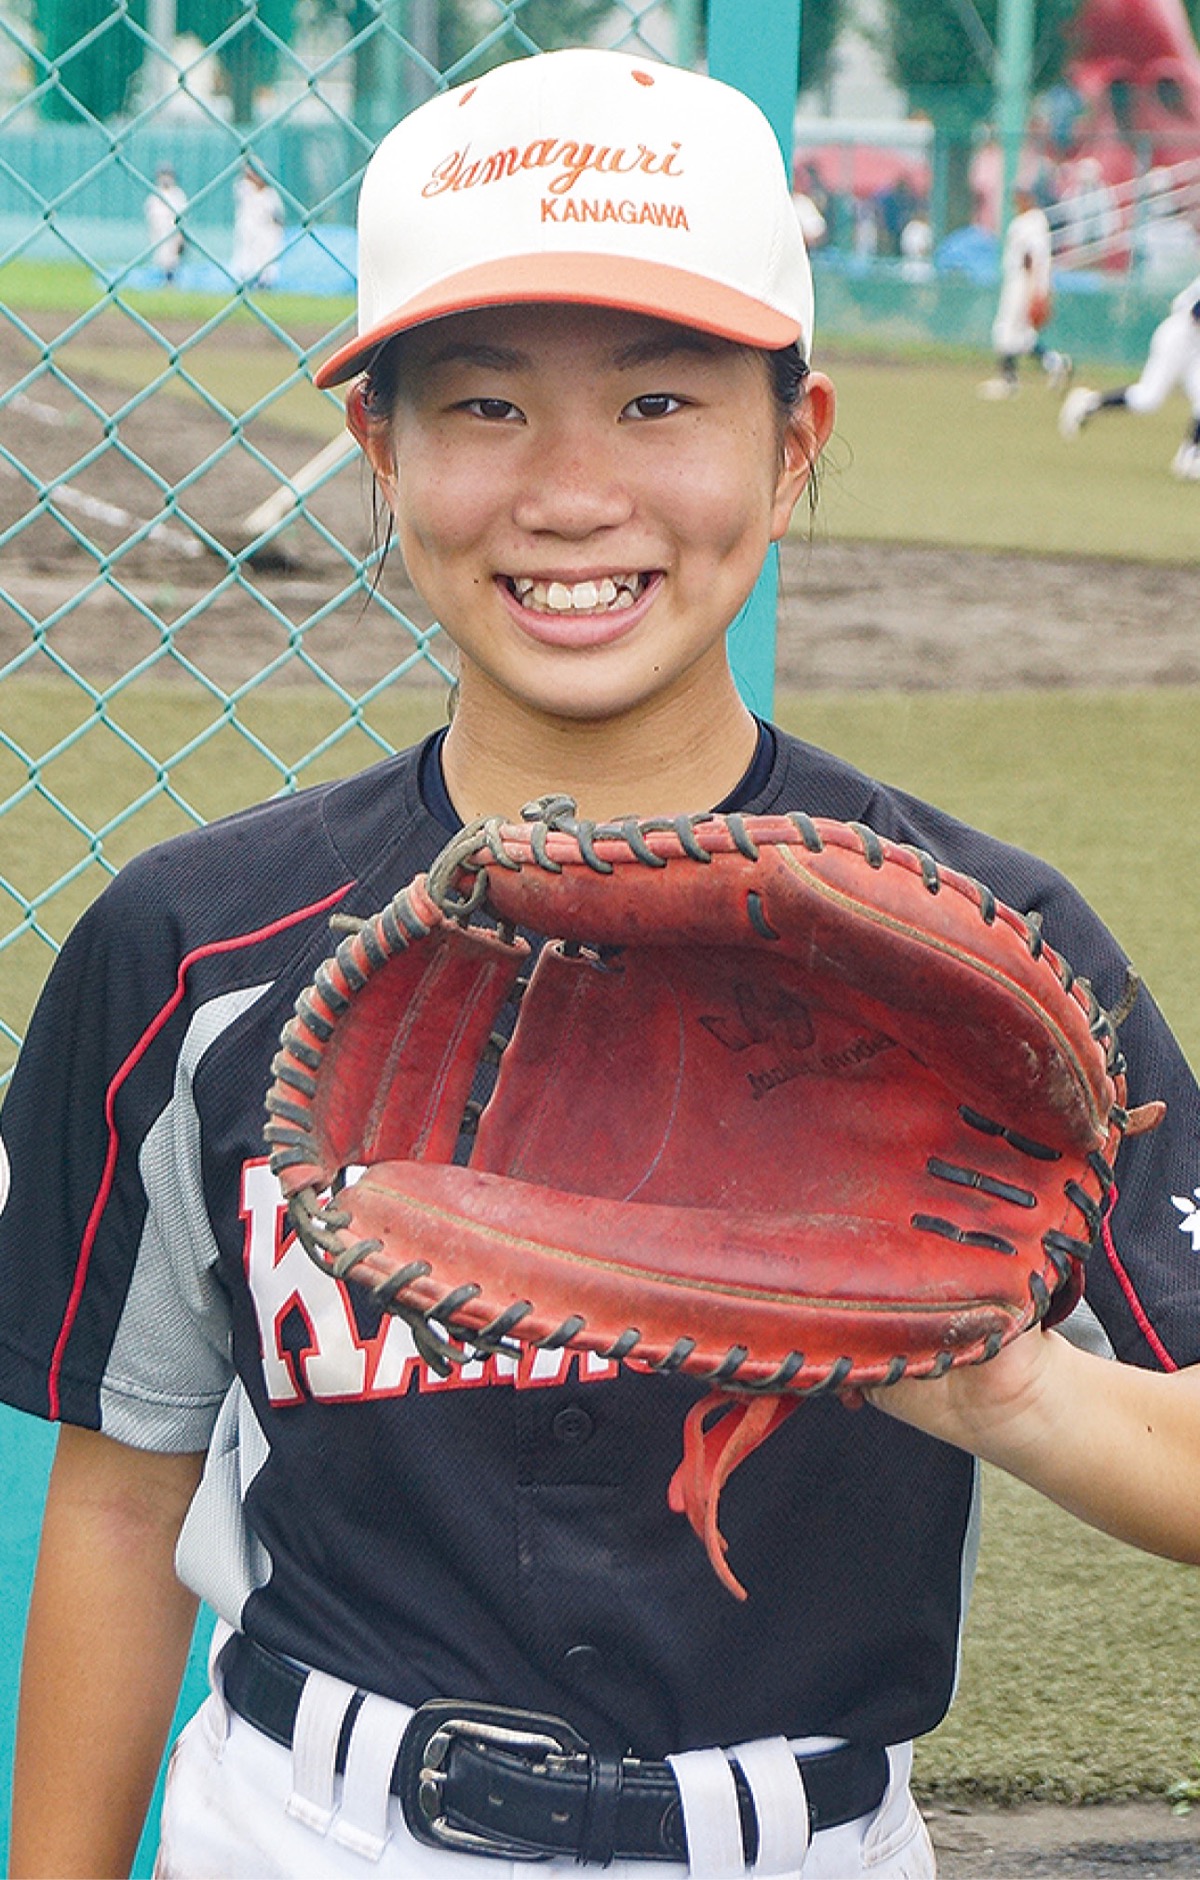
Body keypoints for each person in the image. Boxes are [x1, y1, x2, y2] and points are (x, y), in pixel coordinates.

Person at [2, 47, 1199, 1880]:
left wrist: (1001, 1382)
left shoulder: (987, 960)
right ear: (383, 452)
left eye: (659, 401)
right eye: (483, 407)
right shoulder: (197, 951)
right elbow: (122, 1492)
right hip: (314, 1823)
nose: (571, 495)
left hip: (802, 1835)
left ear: (791, 444)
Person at [1059, 273, 1200, 479]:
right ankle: (1088, 403)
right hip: (1179, 336)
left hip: (1194, 342)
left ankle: (1189, 456)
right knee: (1147, 399)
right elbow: (1196, 314)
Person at [978, 184, 1072, 399]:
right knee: (1020, 335)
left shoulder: (1028, 222)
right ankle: (1056, 362)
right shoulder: (1036, 221)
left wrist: (1034, 291)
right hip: (1028, 281)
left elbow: (1031, 257)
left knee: (1004, 329)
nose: (1017, 202)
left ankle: (1008, 382)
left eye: (1021, 197)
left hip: (1022, 281)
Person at [232, 160, 285, 288]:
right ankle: (246, 284)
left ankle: (264, 285)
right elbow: (242, 179)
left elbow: (278, 219)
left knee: (266, 263)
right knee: (245, 262)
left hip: (266, 236)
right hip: (248, 235)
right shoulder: (246, 191)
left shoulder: (270, 195)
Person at [145, 164, 187, 283]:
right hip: (159, 231)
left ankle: (171, 281)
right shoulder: (154, 195)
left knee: (172, 258)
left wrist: (180, 236)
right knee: (161, 256)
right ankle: (162, 280)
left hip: (172, 230)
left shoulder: (177, 195)